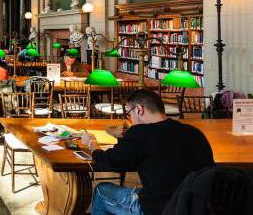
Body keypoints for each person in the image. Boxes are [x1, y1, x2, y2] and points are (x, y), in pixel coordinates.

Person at [81, 89, 214, 215]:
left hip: (158, 209)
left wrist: (92, 143)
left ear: (139, 109)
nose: (130, 119)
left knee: (102, 190)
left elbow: (108, 162)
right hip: (196, 207)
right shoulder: (194, 132)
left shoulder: (140, 133)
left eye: (129, 113)